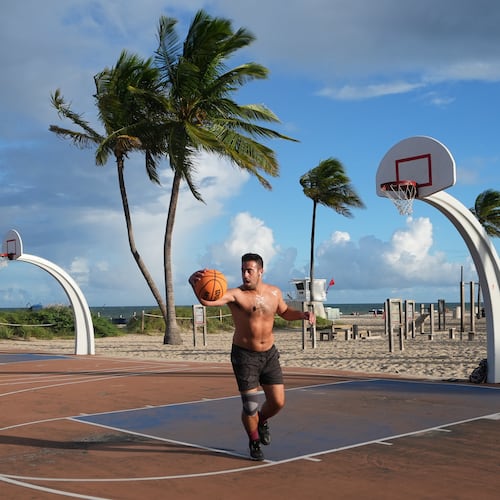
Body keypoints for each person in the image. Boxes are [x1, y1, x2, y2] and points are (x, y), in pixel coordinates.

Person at [189, 253, 315, 460]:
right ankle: (254, 440)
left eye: (249, 270)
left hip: (269, 354)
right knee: (250, 406)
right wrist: (193, 284)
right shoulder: (236, 294)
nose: (245, 275)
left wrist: (302, 315)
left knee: (278, 402)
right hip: (244, 356)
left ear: (260, 271)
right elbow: (208, 301)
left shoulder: (274, 292)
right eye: (242, 270)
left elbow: (284, 312)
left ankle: (262, 421)